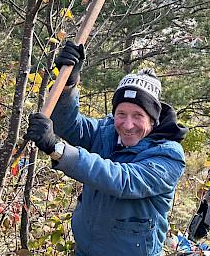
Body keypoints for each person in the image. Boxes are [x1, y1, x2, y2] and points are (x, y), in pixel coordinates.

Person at [24, 41, 188, 256]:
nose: (127, 125)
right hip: (85, 249)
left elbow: (123, 180)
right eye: (121, 114)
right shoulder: (106, 131)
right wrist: (68, 85)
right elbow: (69, 126)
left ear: (153, 119)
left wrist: (57, 148)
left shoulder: (168, 156)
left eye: (138, 115)